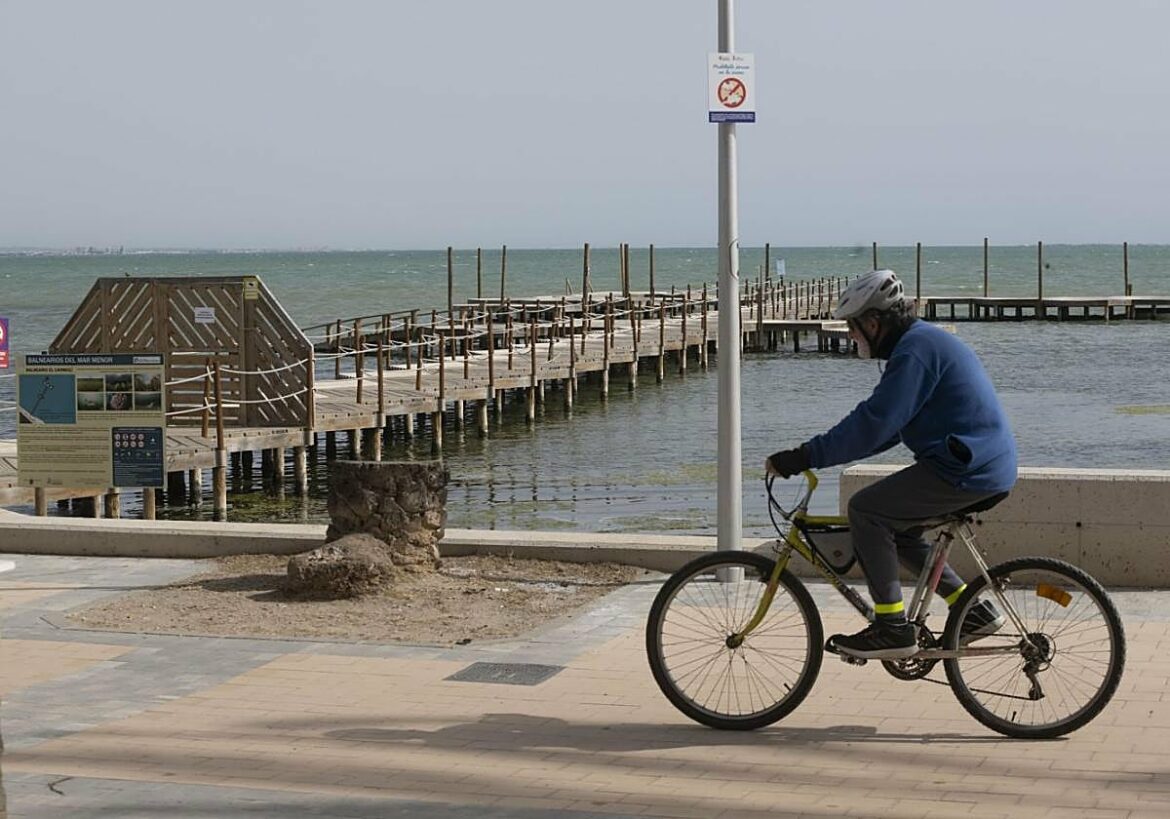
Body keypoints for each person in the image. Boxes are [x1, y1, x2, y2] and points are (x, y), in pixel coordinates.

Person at [766, 269, 1018, 660]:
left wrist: (803, 456)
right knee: (899, 531)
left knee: (867, 511)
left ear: (873, 322)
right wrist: (819, 454)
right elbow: (886, 432)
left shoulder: (915, 350)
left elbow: (875, 422)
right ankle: (974, 610)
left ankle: (892, 628)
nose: (851, 337)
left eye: (853, 328)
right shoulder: (919, 344)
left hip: (967, 468)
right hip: (975, 463)